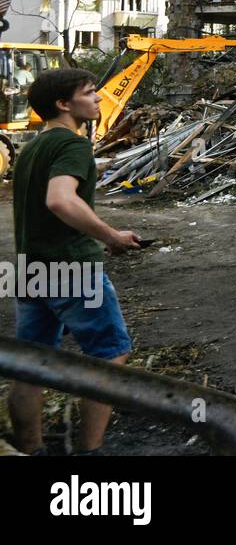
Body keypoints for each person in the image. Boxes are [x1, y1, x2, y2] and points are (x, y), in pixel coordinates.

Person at [9, 69, 141, 455]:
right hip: (71, 269)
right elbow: (60, 200)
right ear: (64, 104)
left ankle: (28, 450)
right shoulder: (74, 145)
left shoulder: (33, 147)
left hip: (31, 269)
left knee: (30, 365)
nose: (99, 98)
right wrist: (111, 236)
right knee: (109, 356)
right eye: (89, 93)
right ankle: (90, 452)